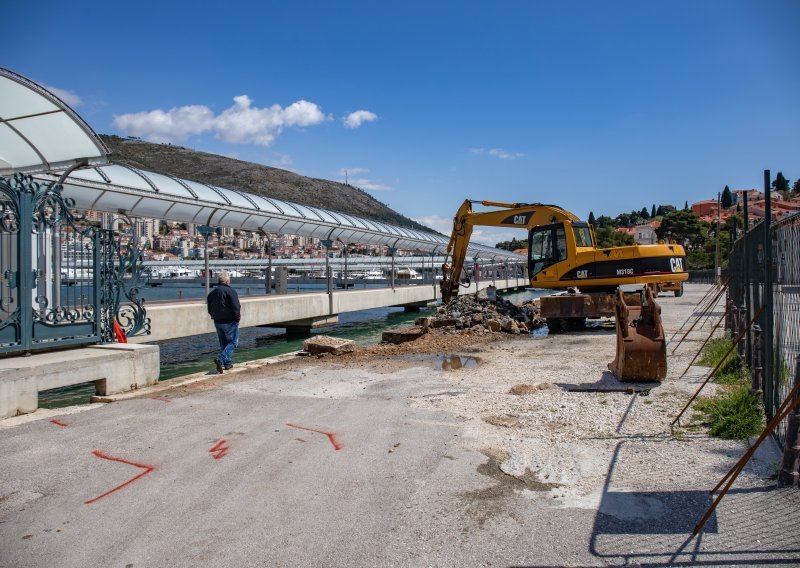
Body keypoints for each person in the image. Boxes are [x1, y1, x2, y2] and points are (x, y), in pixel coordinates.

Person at [206, 271, 241, 373]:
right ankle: (220, 359)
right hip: (229, 321)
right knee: (233, 342)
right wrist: (237, 318)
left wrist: (214, 316)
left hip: (217, 321)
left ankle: (227, 364)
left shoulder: (212, 293)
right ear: (227, 281)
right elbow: (236, 307)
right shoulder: (231, 291)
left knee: (223, 343)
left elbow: (209, 309)